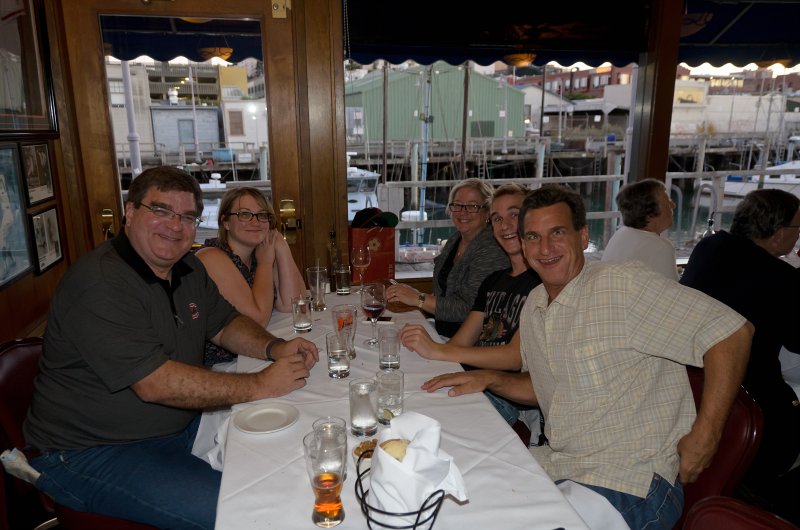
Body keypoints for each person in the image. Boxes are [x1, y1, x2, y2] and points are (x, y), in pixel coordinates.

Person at [422, 184, 753, 529]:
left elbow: (732, 332)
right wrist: (490, 379)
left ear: (583, 236)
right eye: (533, 237)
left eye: (557, 233)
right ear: (522, 243)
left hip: (630, 483)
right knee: (456, 498)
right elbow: (546, 388)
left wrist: (706, 434)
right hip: (561, 466)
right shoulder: (535, 302)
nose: (545, 248)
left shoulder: (621, 283)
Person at [23, 167, 319, 529]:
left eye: (188, 216)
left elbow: (226, 324)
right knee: (250, 514)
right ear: (130, 213)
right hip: (91, 452)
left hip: (178, 427)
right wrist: (261, 385)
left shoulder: (187, 267)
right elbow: (155, 383)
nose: (175, 226)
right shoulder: (100, 282)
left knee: (297, 454)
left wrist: (275, 347)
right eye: (161, 211)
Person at [680, 188, 800, 524]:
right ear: (778, 235)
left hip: (690, 386)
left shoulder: (709, 247)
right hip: (752, 402)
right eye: (797, 229)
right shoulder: (782, 278)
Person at [398, 184, 541, 426]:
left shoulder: (541, 283)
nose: (505, 225)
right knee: (401, 396)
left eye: (514, 215)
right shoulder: (493, 280)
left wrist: (436, 349)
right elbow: (460, 342)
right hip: (469, 377)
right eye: (498, 218)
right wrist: (432, 350)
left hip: (506, 397)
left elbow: (515, 357)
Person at [196, 187, 305, 366]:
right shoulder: (211, 257)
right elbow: (256, 322)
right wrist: (265, 263)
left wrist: (281, 246)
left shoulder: (260, 253)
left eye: (262, 215)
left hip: (252, 356)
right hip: (220, 367)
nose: (256, 222)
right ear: (226, 222)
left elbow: (294, 305)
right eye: (245, 214)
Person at [387, 178, 509, 337]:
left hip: (470, 342)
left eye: (472, 206)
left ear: (487, 212)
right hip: (442, 329)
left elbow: (468, 310)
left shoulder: (491, 249)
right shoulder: (456, 239)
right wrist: (413, 293)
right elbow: (444, 294)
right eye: (457, 205)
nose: (462, 212)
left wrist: (418, 298)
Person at [602, 178, 679, 280]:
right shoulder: (661, 247)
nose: (674, 205)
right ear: (649, 215)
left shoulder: (620, 234)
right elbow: (672, 293)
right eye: (667, 204)